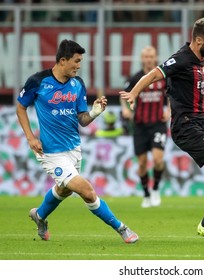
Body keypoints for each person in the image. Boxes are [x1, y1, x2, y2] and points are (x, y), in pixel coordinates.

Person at [120, 17, 204, 245]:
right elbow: (153, 74)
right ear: (198, 40)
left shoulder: (201, 57)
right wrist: (134, 93)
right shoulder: (180, 59)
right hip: (186, 127)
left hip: (201, 122)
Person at [16, 39, 138, 244]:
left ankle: (40, 215)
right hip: (51, 152)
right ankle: (122, 228)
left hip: (74, 149)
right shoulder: (37, 81)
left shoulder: (77, 84)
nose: (79, 66)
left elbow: (82, 120)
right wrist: (30, 137)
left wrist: (95, 112)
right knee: (87, 191)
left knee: (64, 189)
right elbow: (21, 107)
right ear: (63, 60)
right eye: (76, 61)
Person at [121, 46, 170, 208]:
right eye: (146, 57)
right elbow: (124, 95)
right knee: (142, 163)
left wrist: (169, 110)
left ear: (155, 58)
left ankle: (155, 189)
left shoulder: (162, 77)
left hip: (158, 124)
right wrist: (125, 109)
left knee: (158, 159)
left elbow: (172, 94)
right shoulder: (136, 78)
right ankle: (146, 194)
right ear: (142, 59)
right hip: (140, 125)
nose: (149, 59)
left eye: (151, 56)